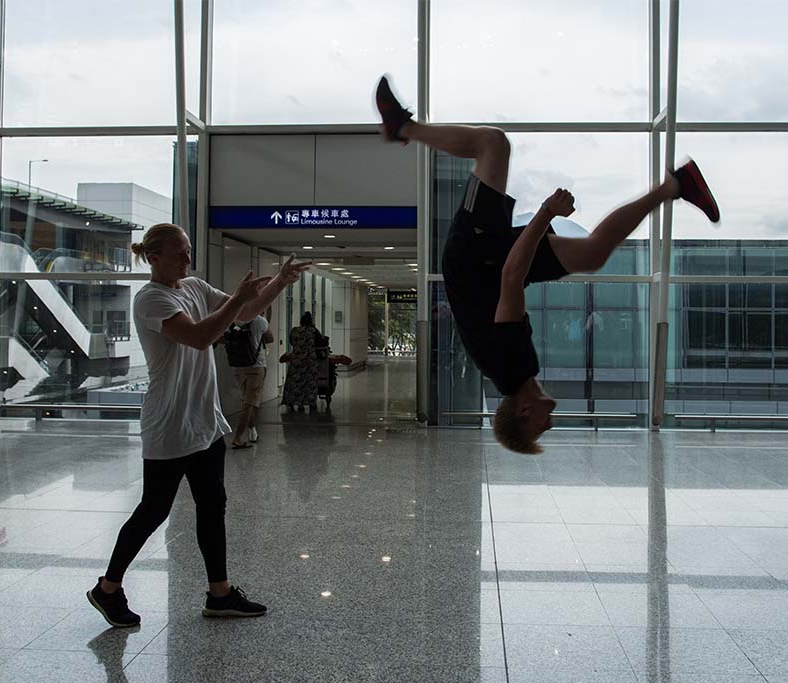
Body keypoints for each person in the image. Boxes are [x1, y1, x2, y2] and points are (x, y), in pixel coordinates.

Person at [374, 76, 720, 454]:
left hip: (475, 255)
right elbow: (509, 279)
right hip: (486, 262)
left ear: (523, 411)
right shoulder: (518, 372)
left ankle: (403, 126)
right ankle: (675, 186)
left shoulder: (511, 366)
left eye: (541, 428)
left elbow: (511, 276)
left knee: (493, 144)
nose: (550, 423)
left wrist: (546, 212)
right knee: (592, 253)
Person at [86, 223, 310, 626]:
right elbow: (200, 336)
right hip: (169, 424)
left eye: (188, 252)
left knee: (213, 507)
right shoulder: (150, 300)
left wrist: (279, 281)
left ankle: (219, 594)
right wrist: (236, 299)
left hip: (204, 421)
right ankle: (108, 588)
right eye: (179, 254)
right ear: (153, 258)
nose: (187, 260)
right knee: (153, 511)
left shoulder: (194, 287)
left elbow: (245, 312)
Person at [228, 308, 274, 449]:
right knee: (250, 402)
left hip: (238, 366)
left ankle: (252, 430)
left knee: (249, 399)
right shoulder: (260, 320)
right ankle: (237, 437)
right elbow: (270, 339)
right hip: (256, 365)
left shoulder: (235, 319)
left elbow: (224, 338)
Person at [282, 312, 323, 413]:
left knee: (295, 382)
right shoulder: (313, 331)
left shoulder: (294, 330)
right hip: (310, 361)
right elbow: (320, 342)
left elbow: (291, 342)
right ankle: (310, 402)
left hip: (297, 360)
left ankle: (295, 402)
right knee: (310, 382)